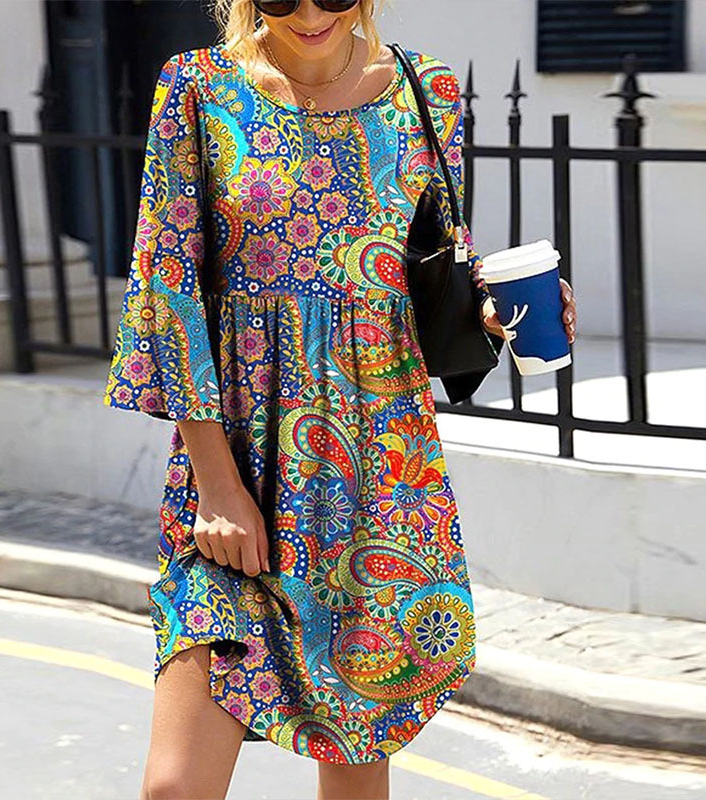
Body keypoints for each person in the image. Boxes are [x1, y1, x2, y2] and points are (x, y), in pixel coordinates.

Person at [103, 0, 578, 797]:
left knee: (355, 767)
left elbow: (422, 278)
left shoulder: (426, 91)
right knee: (174, 787)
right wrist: (217, 485)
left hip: (377, 470)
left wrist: (495, 315)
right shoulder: (196, 87)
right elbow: (167, 288)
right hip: (241, 469)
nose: (310, 11)